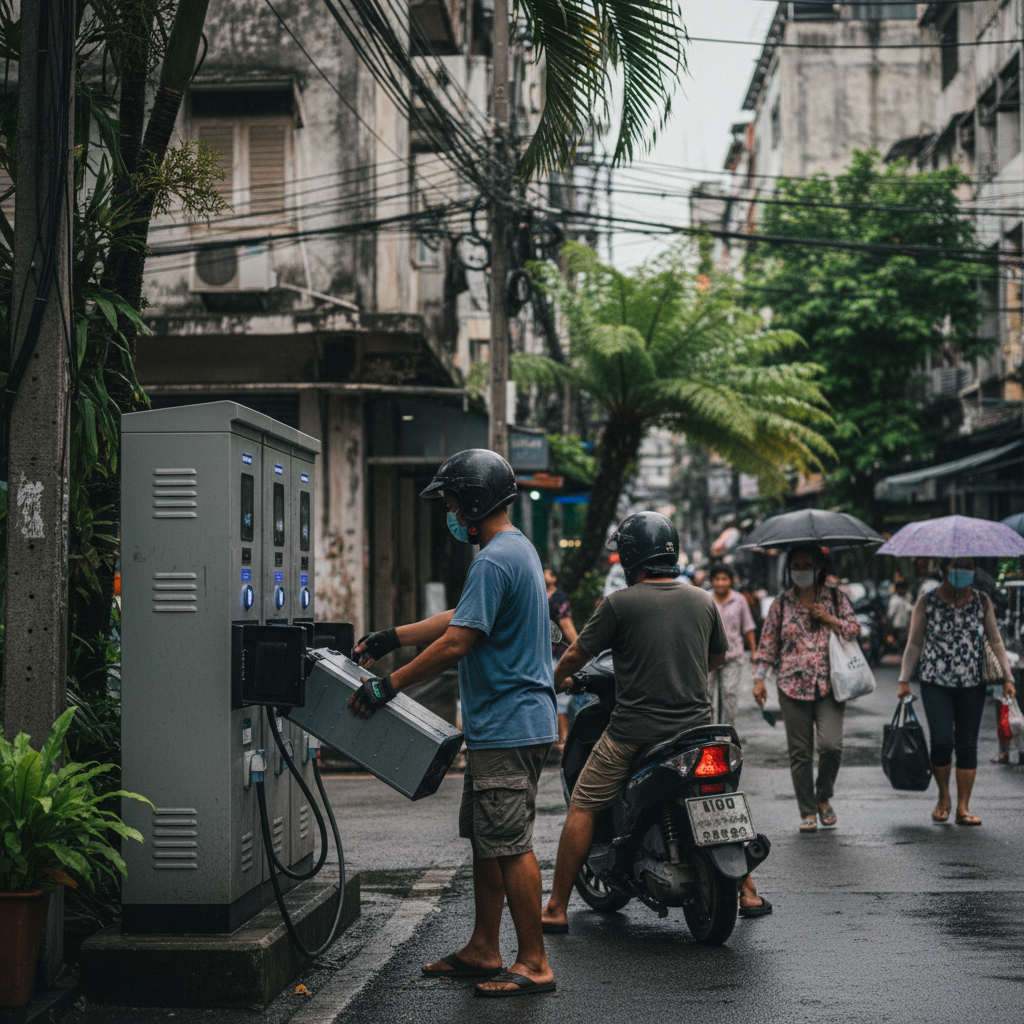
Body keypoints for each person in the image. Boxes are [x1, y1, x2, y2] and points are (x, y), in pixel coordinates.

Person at [348, 449, 557, 997]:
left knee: (510, 844)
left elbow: (459, 642)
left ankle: (534, 961)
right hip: (508, 724)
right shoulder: (514, 549)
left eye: (451, 499)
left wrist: (388, 683)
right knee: (489, 842)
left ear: (473, 500)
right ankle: (484, 948)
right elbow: (463, 615)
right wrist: (391, 636)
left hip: (510, 725)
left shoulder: (493, 559)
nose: (448, 509)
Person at [540, 512, 771, 931]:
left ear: (632, 559)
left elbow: (575, 656)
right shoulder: (703, 599)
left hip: (633, 732)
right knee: (717, 801)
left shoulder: (619, 604)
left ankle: (555, 907)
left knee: (583, 803)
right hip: (697, 729)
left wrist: (546, 686)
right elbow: (717, 658)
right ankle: (748, 890)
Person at [896, 557, 1016, 825]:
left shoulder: (982, 601)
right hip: (935, 682)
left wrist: (1008, 677)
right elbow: (915, 643)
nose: (964, 571)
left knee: (966, 744)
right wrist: (904, 680)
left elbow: (995, 640)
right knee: (941, 741)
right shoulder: (927, 601)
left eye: (969, 566)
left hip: (972, 682)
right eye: (958, 565)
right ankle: (943, 796)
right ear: (944, 568)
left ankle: (963, 807)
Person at [752, 546, 861, 833]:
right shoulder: (781, 604)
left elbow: (855, 629)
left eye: (807, 564)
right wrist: (759, 679)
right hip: (791, 685)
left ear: (819, 568)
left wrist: (830, 619)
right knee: (799, 752)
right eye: (796, 565)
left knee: (831, 746)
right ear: (790, 570)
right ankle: (807, 810)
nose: (801, 569)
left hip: (830, 684)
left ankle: (823, 796)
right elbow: (767, 644)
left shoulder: (836, 597)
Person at [708, 564, 757, 729]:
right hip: (708, 657)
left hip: (733, 655)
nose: (720, 583)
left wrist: (755, 653)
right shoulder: (705, 599)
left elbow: (748, 627)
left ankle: (725, 733)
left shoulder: (739, 600)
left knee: (729, 694)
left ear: (730, 581)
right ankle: (707, 734)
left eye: (724, 579)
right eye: (717, 579)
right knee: (706, 696)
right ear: (712, 581)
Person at [545, 567, 579, 749]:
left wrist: (580, 649)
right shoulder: (539, 595)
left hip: (558, 652)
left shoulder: (559, 597)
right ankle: (557, 738)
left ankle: (563, 738)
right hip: (543, 652)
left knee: (560, 693)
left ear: (555, 578)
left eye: (548, 572)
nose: (544, 575)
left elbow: (566, 624)